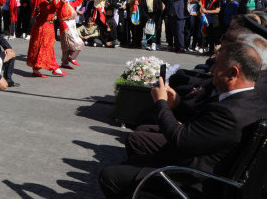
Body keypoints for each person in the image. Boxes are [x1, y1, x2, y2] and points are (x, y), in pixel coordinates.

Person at [98, 43, 267, 198]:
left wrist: (161, 103)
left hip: (192, 180)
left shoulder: (230, 112)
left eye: (217, 65)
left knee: (110, 177)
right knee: (133, 160)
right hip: (200, 168)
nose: (212, 69)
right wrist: (177, 104)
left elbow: (179, 139)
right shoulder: (251, 102)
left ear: (233, 73)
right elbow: (204, 126)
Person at [26, 0, 67, 77]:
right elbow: (51, 9)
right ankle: (54, 67)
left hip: (44, 27)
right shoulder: (42, 2)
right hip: (45, 27)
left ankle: (37, 69)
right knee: (45, 48)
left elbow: (54, 8)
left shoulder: (40, 1)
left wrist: (59, 1)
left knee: (41, 48)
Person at [57, 0, 83, 70]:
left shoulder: (69, 3)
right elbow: (58, 9)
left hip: (72, 25)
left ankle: (65, 62)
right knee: (71, 44)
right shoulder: (61, 3)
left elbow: (76, 3)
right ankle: (71, 58)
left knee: (70, 44)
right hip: (65, 26)